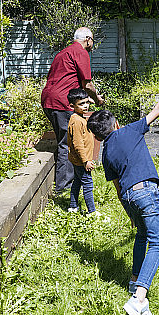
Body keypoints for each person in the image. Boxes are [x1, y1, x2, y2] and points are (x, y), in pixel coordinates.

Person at [87, 67, 159, 315]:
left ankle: (134, 279)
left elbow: (117, 188)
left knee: (142, 234)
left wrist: (130, 214)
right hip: (146, 192)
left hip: (131, 199)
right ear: (116, 124)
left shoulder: (105, 154)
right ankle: (140, 298)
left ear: (99, 136)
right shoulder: (129, 131)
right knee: (158, 243)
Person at [41, 27, 105, 196]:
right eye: (92, 41)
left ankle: (69, 182)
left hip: (49, 100)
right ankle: (64, 189)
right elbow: (87, 84)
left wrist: (83, 99)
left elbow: (67, 80)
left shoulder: (63, 52)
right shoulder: (81, 52)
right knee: (68, 144)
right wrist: (97, 98)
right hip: (62, 102)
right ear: (88, 39)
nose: (92, 44)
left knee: (65, 140)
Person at [66, 88, 100, 216]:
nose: (86, 106)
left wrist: (87, 99)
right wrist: (86, 161)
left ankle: (73, 206)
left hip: (78, 160)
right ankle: (92, 212)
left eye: (87, 102)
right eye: (81, 104)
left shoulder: (79, 117)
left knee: (78, 182)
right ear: (72, 106)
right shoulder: (76, 121)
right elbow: (77, 143)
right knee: (88, 185)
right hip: (81, 161)